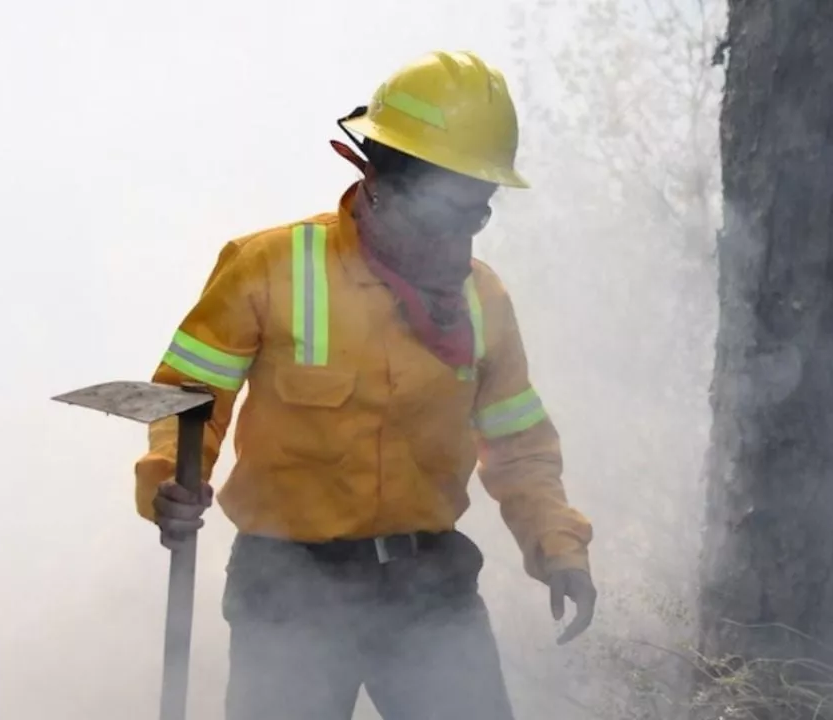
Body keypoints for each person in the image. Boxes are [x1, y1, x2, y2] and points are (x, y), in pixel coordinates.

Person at [131, 49, 597, 720]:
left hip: (430, 588)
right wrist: (167, 482)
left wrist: (558, 547)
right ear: (381, 178)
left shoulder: (481, 297)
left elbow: (518, 443)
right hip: (288, 589)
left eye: (480, 209)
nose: (466, 229)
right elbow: (188, 401)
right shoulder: (269, 266)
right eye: (451, 206)